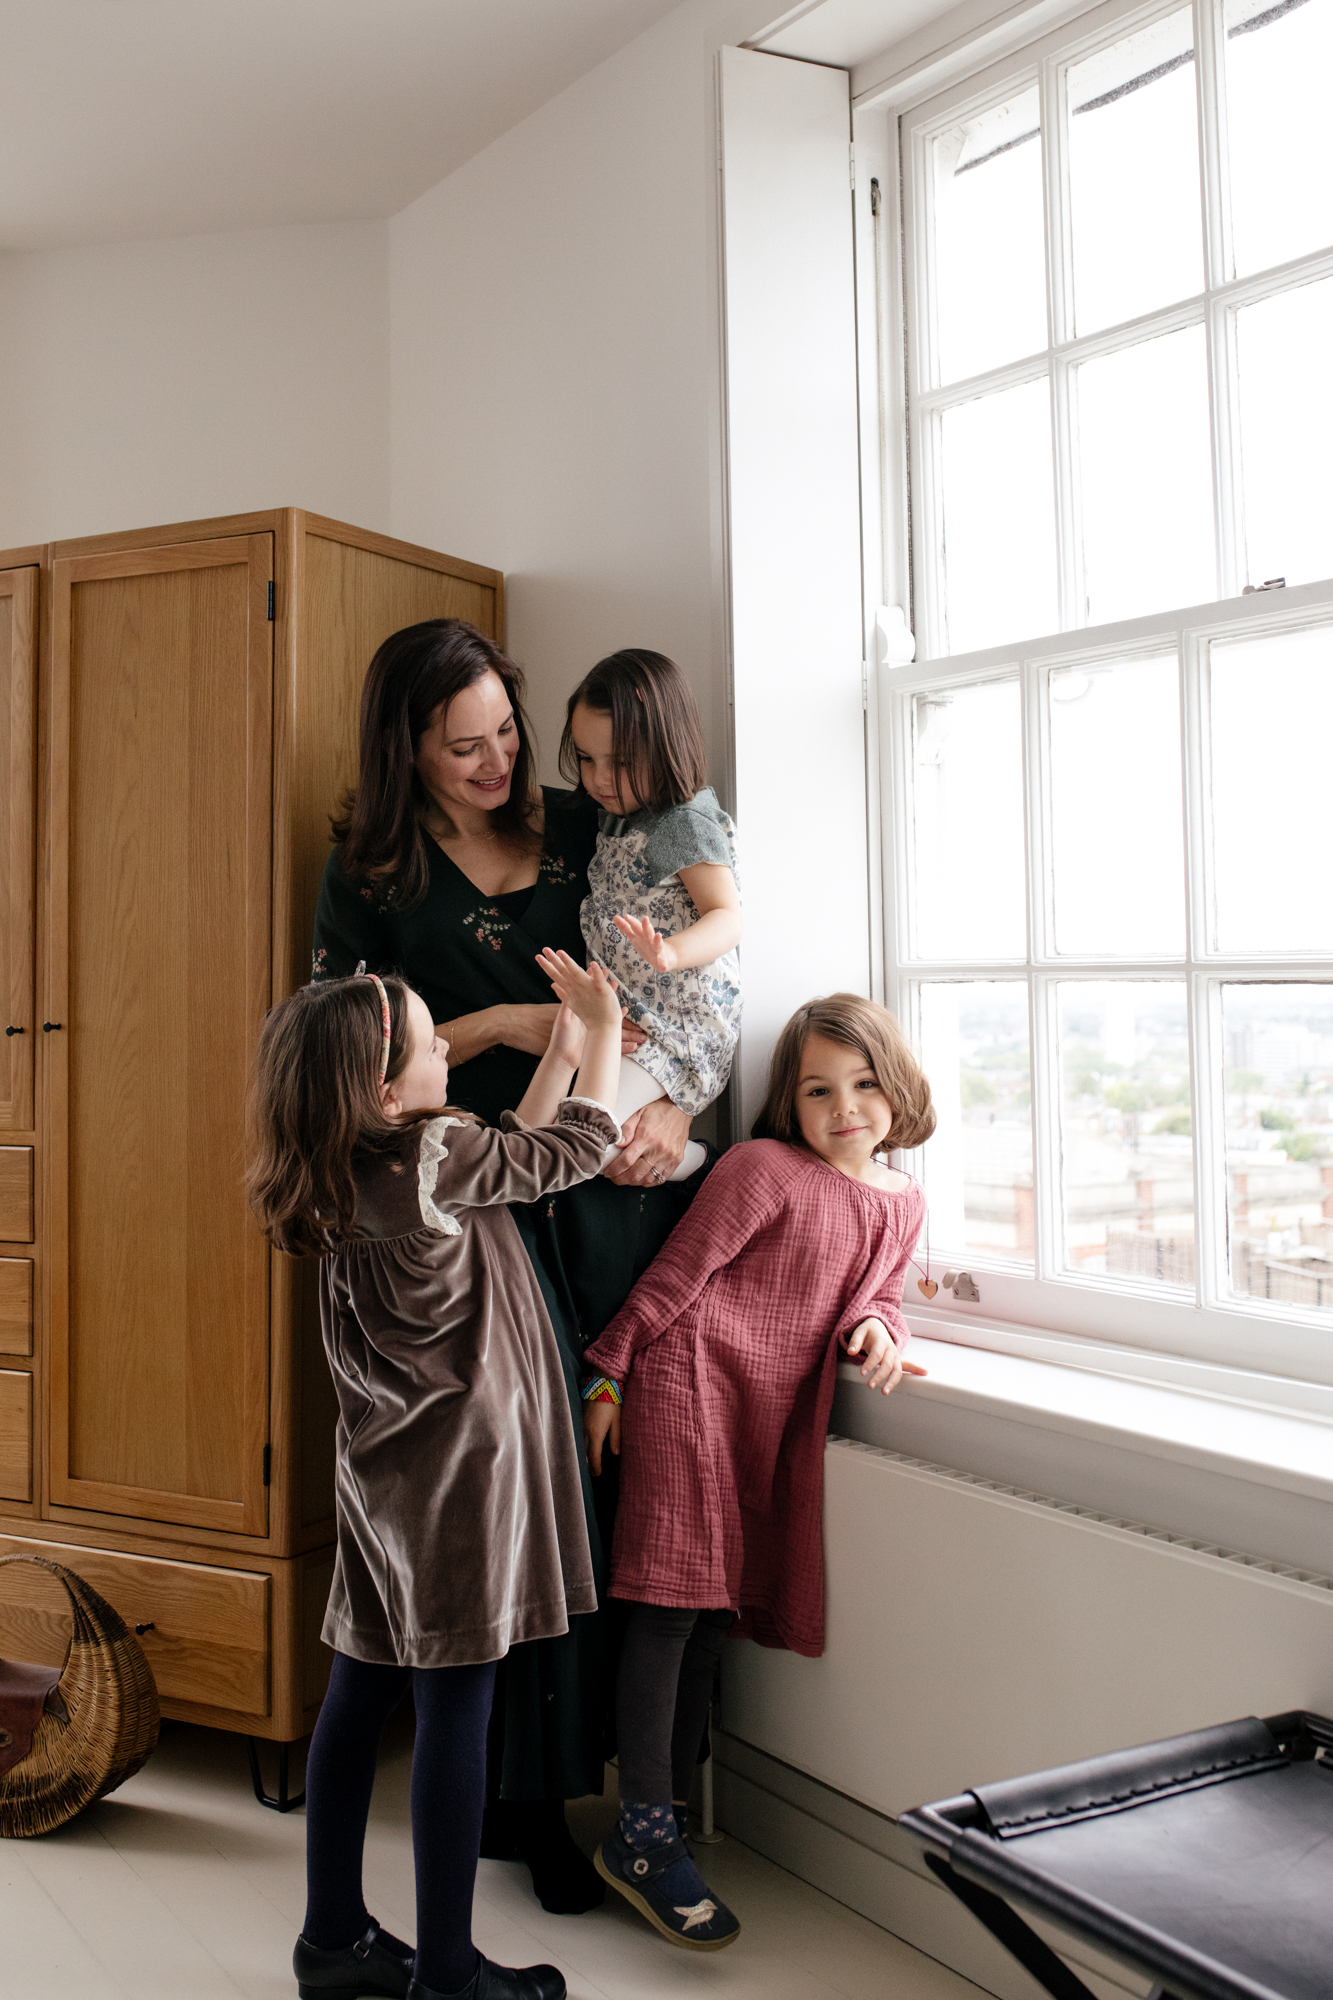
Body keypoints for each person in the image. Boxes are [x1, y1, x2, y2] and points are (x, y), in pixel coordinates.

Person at [309, 620, 717, 1913]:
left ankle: (629, 1795)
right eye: (463, 744)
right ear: (407, 750)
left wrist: (682, 1111)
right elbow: (337, 1062)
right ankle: (516, 1807)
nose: (498, 763)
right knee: (502, 1502)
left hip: (610, 1194)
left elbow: (686, 983)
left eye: (505, 733)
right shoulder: (370, 871)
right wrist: (493, 1025)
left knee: (612, 1497)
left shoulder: (593, 815)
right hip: (466, 1222)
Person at [249, 951, 624, 2000]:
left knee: (358, 1695)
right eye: (432, 1045)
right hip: (464, 1474)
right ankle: (449, 1973)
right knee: (457, 1709)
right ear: (382, 1088)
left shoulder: (340, 1162)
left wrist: (551, 1056)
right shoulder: (433, 1148)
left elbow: (513, 1153)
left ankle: (331, 1937)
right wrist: (598, 1029)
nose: (448, 1051)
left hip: (382, 1471)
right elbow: (574, 1151)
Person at [578, 994, 936, 1951]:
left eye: (863, 1084)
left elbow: (881, 1295)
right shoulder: (762, 1167)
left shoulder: (902, 1198)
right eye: (818, 1089)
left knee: (709, 1621)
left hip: (768, 1417)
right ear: (789, 1100)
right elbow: (674, 1276)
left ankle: (663, 1812)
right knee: (667, 1608)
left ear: (898, 1089)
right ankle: (644, 1834)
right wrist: (608, 1375)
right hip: (688, 1384)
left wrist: (876, 1330)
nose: (844, 1107)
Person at [558, 649, 741, 1182]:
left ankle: (706, 1164)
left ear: (665, 746)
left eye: (619, 762)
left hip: (677, 1027)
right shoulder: (617, 818)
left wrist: (672, 951)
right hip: (631, 1021)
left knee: (584, 1140)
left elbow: (727, 916)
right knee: (583, 1140)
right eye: (587, 759)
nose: (598, 779)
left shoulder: (682, 823)